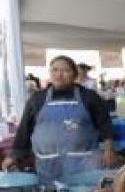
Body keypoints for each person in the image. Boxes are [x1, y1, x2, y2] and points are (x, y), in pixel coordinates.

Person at [2, 55, 118, 183]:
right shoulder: (37, 99)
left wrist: (109, 150)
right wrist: (13, 156)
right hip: (48, 165)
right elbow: (24, 130)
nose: (59, 74)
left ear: (75, 75)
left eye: (65, 71)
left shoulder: (89, 97)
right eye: (55, 70)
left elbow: (105, 125)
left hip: (86, 164)